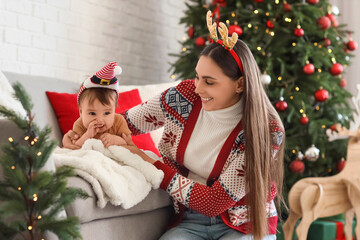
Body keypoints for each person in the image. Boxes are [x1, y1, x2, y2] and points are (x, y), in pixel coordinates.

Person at [64, 11, 285, 240]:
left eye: (209, 82)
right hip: (189, 219)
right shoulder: (185, 96)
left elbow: (212, 203)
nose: (198, 87)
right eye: (198, 76)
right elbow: (124, 124)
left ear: (240, 84)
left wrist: (150, 162)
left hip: (245, 224)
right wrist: (81, 133)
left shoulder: (266, 132)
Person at [62, 62, 131, 149]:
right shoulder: (79, 124)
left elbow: (128, 143)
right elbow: (76, 147)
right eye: (92, 113)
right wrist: (87, 135)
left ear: (114, 110)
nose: (99, 120)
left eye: (107, 113)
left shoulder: (119, 121)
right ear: (81, 112)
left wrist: (116, 140)